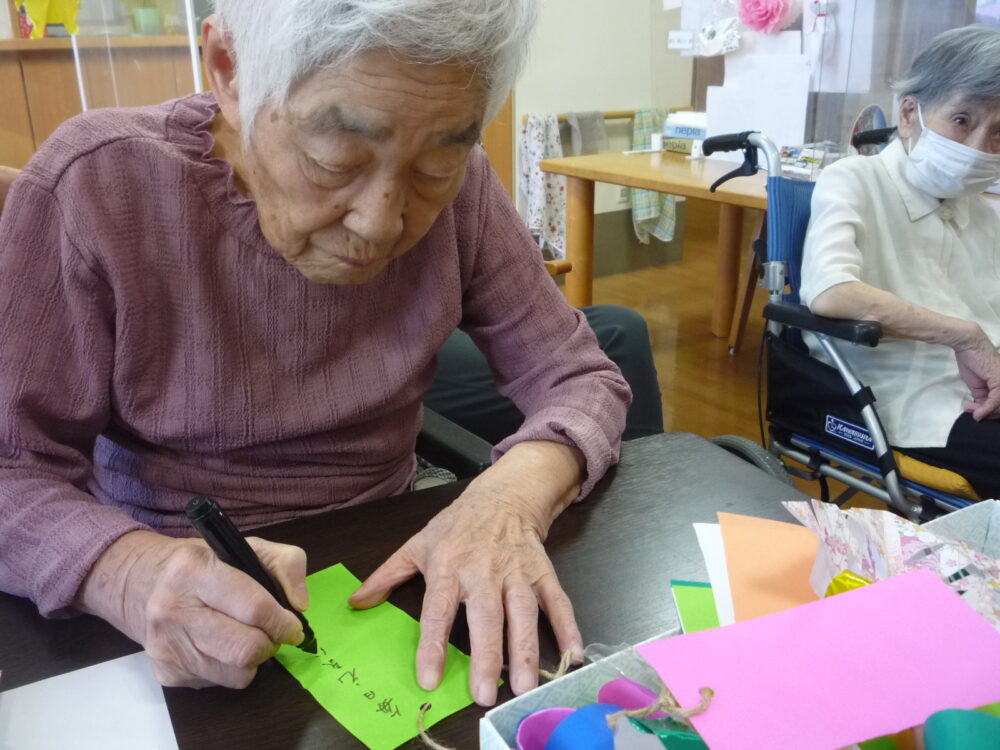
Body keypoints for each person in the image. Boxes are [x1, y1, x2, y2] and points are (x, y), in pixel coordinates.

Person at [0, 0, 640, 706]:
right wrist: (127, 574)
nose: (381, 222)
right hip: (170, 615)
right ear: (229, 70)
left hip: (388, 560)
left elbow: (579, 376)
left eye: (433, 167)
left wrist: (507, 498)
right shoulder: (95, 186)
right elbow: (11, 470)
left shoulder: (465, 194)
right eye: (335, 160)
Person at [800, 24, 1000, 499]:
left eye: (999, 133)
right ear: (910, 114)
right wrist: (963, 335)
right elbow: (831, 292)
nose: (977, 148)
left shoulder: (983, 212)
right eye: (962, 120)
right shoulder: (853, 180)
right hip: (908, 399)